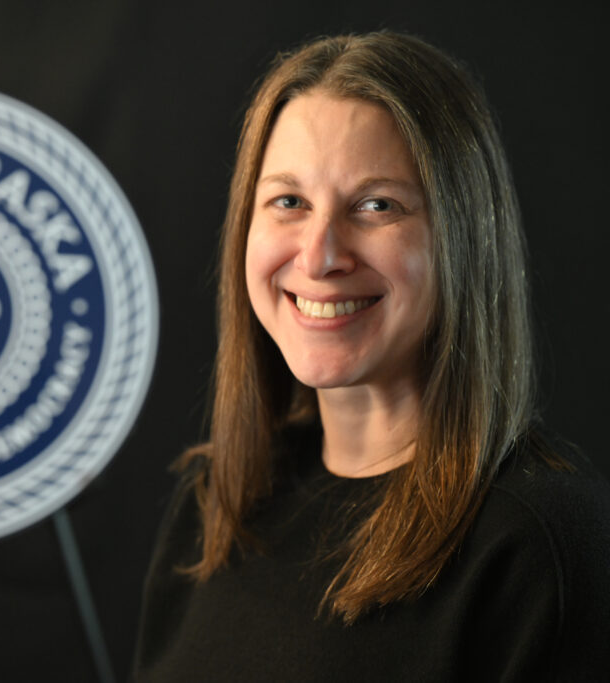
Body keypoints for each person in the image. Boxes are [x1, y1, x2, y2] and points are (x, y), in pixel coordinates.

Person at [133, 31, 610, 682]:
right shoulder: (218, 504)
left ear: (463, 237)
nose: (319, 256)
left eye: (376, 205)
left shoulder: (546, 548)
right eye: (289, 202)